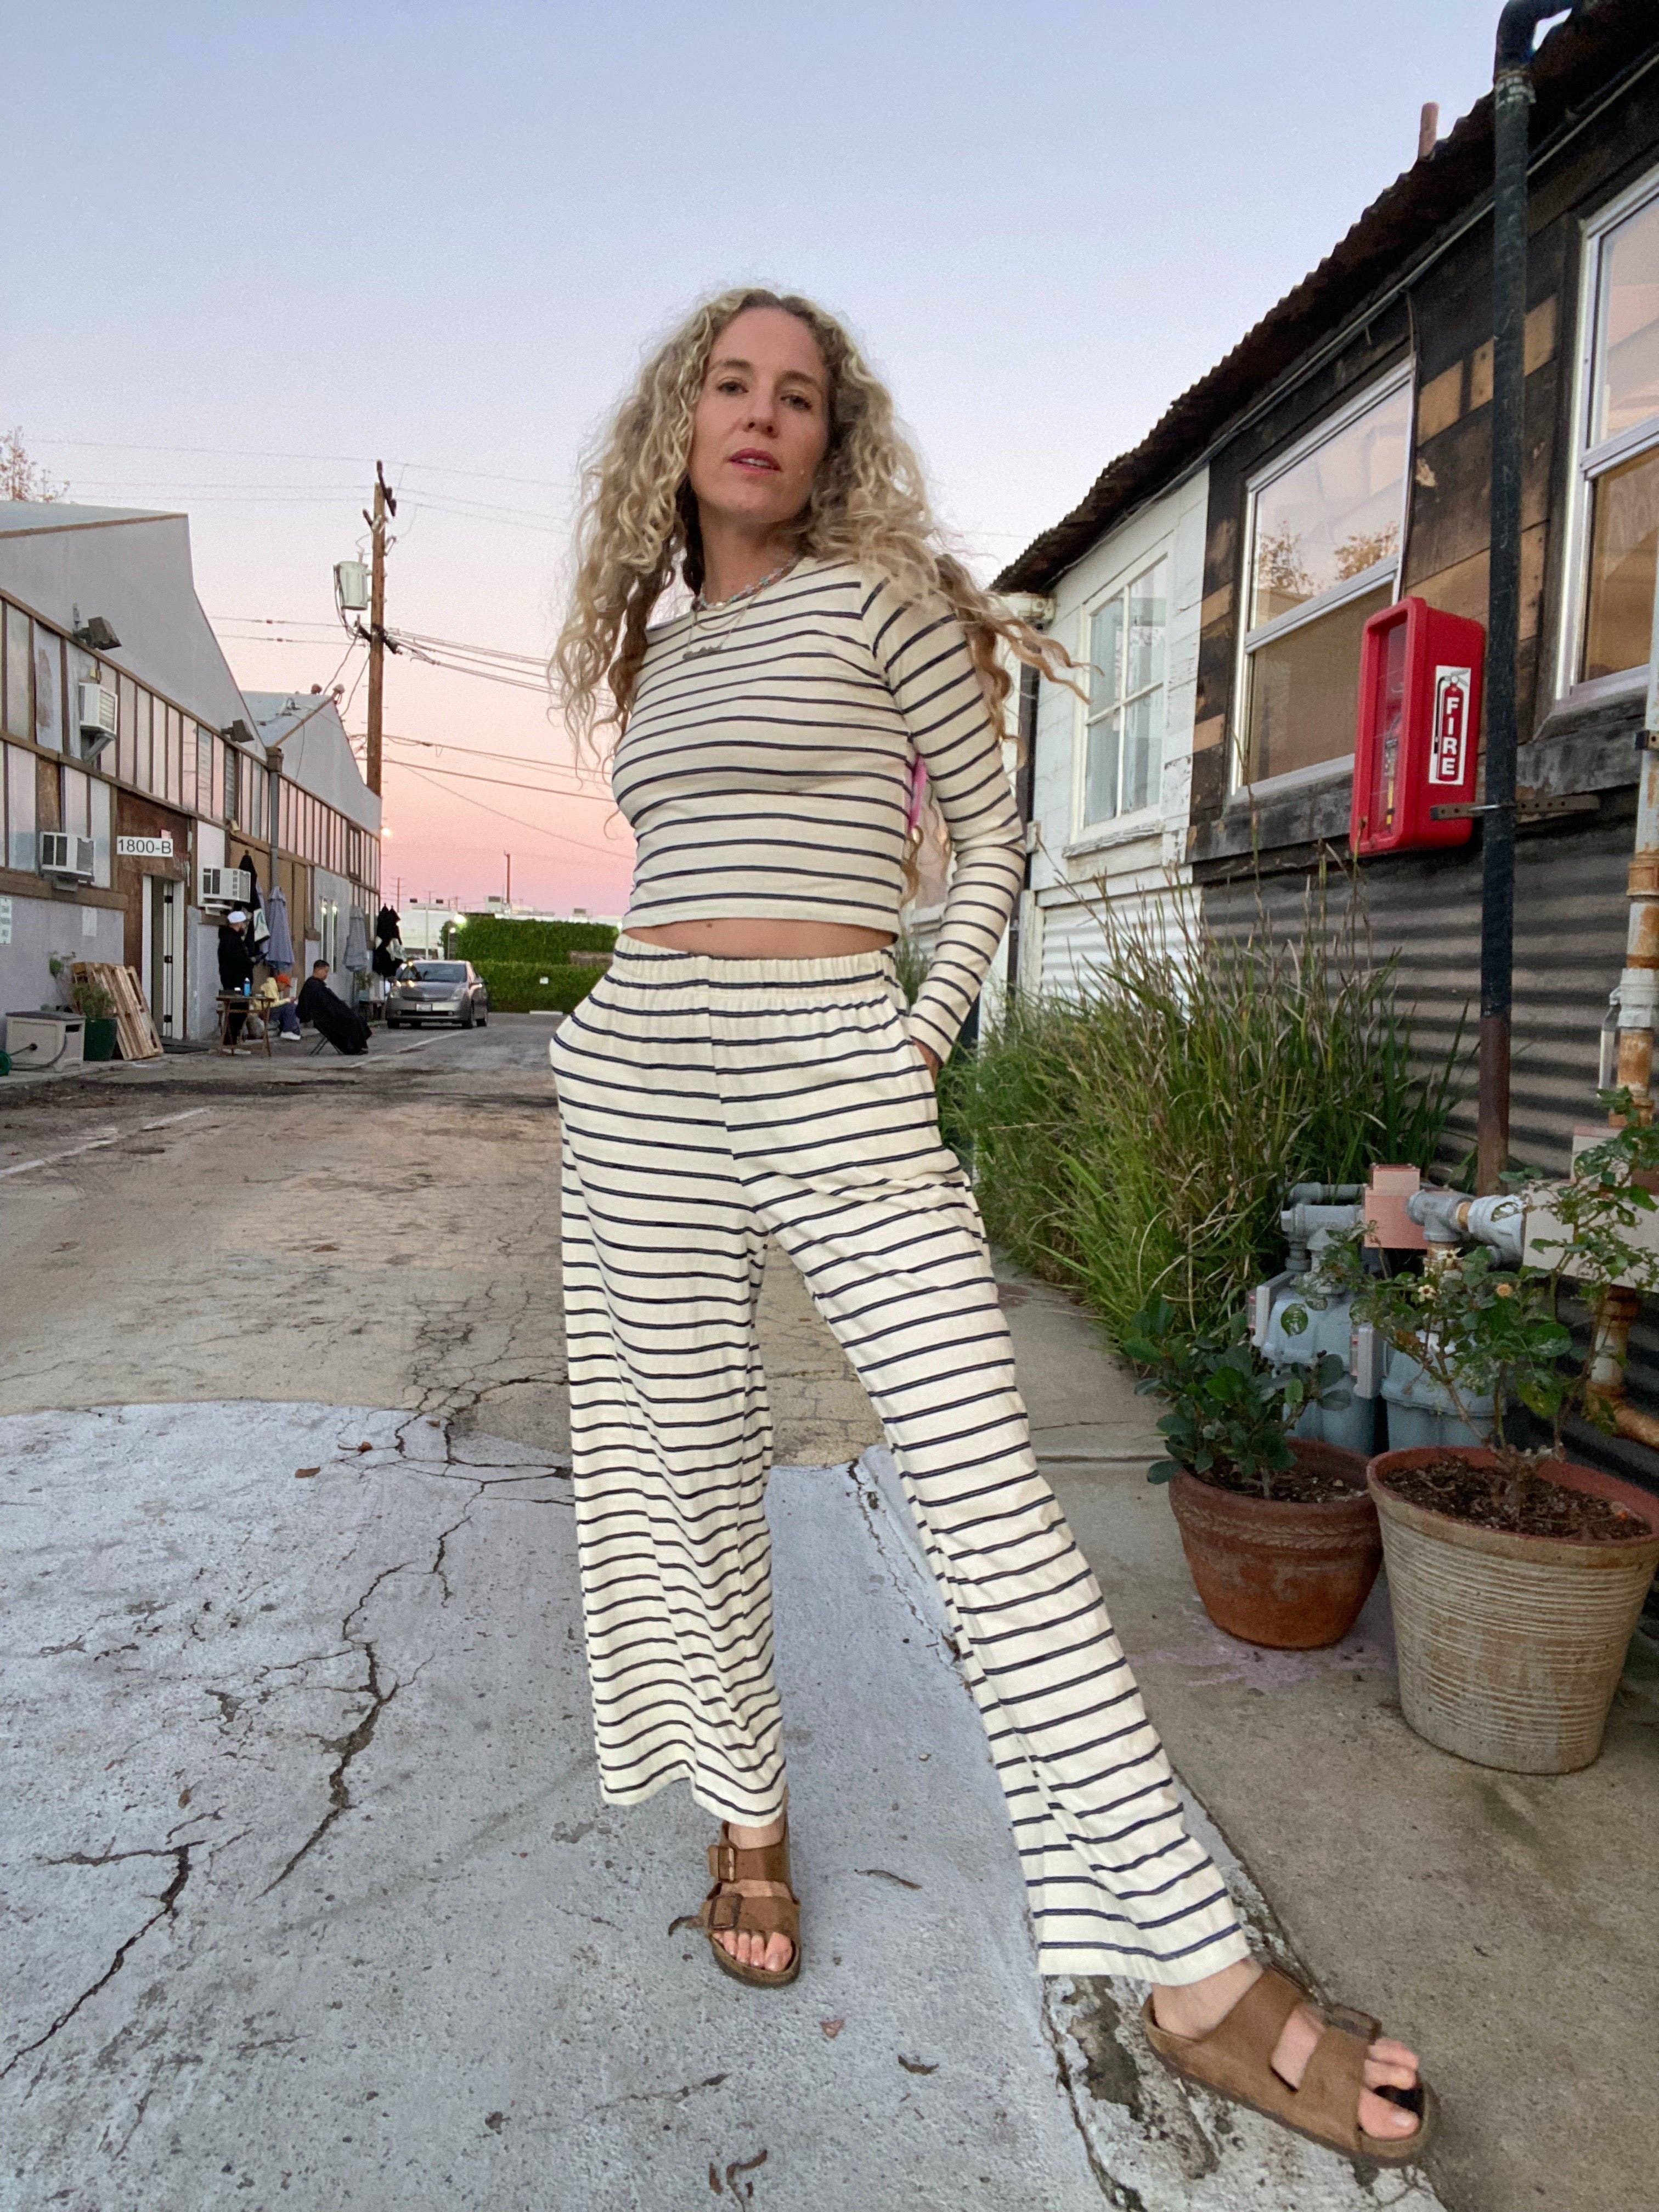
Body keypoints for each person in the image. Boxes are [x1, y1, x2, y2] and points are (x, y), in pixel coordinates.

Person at [546, 289, 1431, 2163]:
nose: (760, 415)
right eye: (730, 384)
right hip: (641, 1074)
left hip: (835, 1054)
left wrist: (921, 1030)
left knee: (990, 1499)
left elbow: (996, 839)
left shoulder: (880, 607)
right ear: (680, 423)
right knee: (682, 1473)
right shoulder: (658, 652)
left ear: (834, 434)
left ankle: (1190, 1967)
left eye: (798, 394)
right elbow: (673, 866)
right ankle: (749, 1818)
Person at [296, 958, 369, 1056]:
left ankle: (359, 1046)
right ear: (318, 970)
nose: (327, 975)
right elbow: (322, 1005)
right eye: (326, 971)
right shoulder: (312, 985)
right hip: (325, 1018)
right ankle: (354, 1048)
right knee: (352, 1020)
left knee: (356, 1018)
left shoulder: (316, 984)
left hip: (330, 1014)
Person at [216, 909, 254, 1045]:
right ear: (238, 923)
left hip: (236, 981)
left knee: (238, 1012)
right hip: (235, 982)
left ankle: (232, 1041)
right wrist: (250, 962)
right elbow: (238, 961)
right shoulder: (232, 940)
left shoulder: (230, 939)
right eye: (243, 923)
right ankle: (230, 1042)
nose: (244, 926)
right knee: (238, 1012)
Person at [253, 968, 303, 1042]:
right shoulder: (270, 986)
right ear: (280, 983)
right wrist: (287, 1000)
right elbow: (272, 1004)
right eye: (285, 986)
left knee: (291, 1008)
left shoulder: (274, 988)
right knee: (290, 1006)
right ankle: (287, 1031)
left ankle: (293, 1031)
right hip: (263, 1011)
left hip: (268, 1010)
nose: (285, 989)